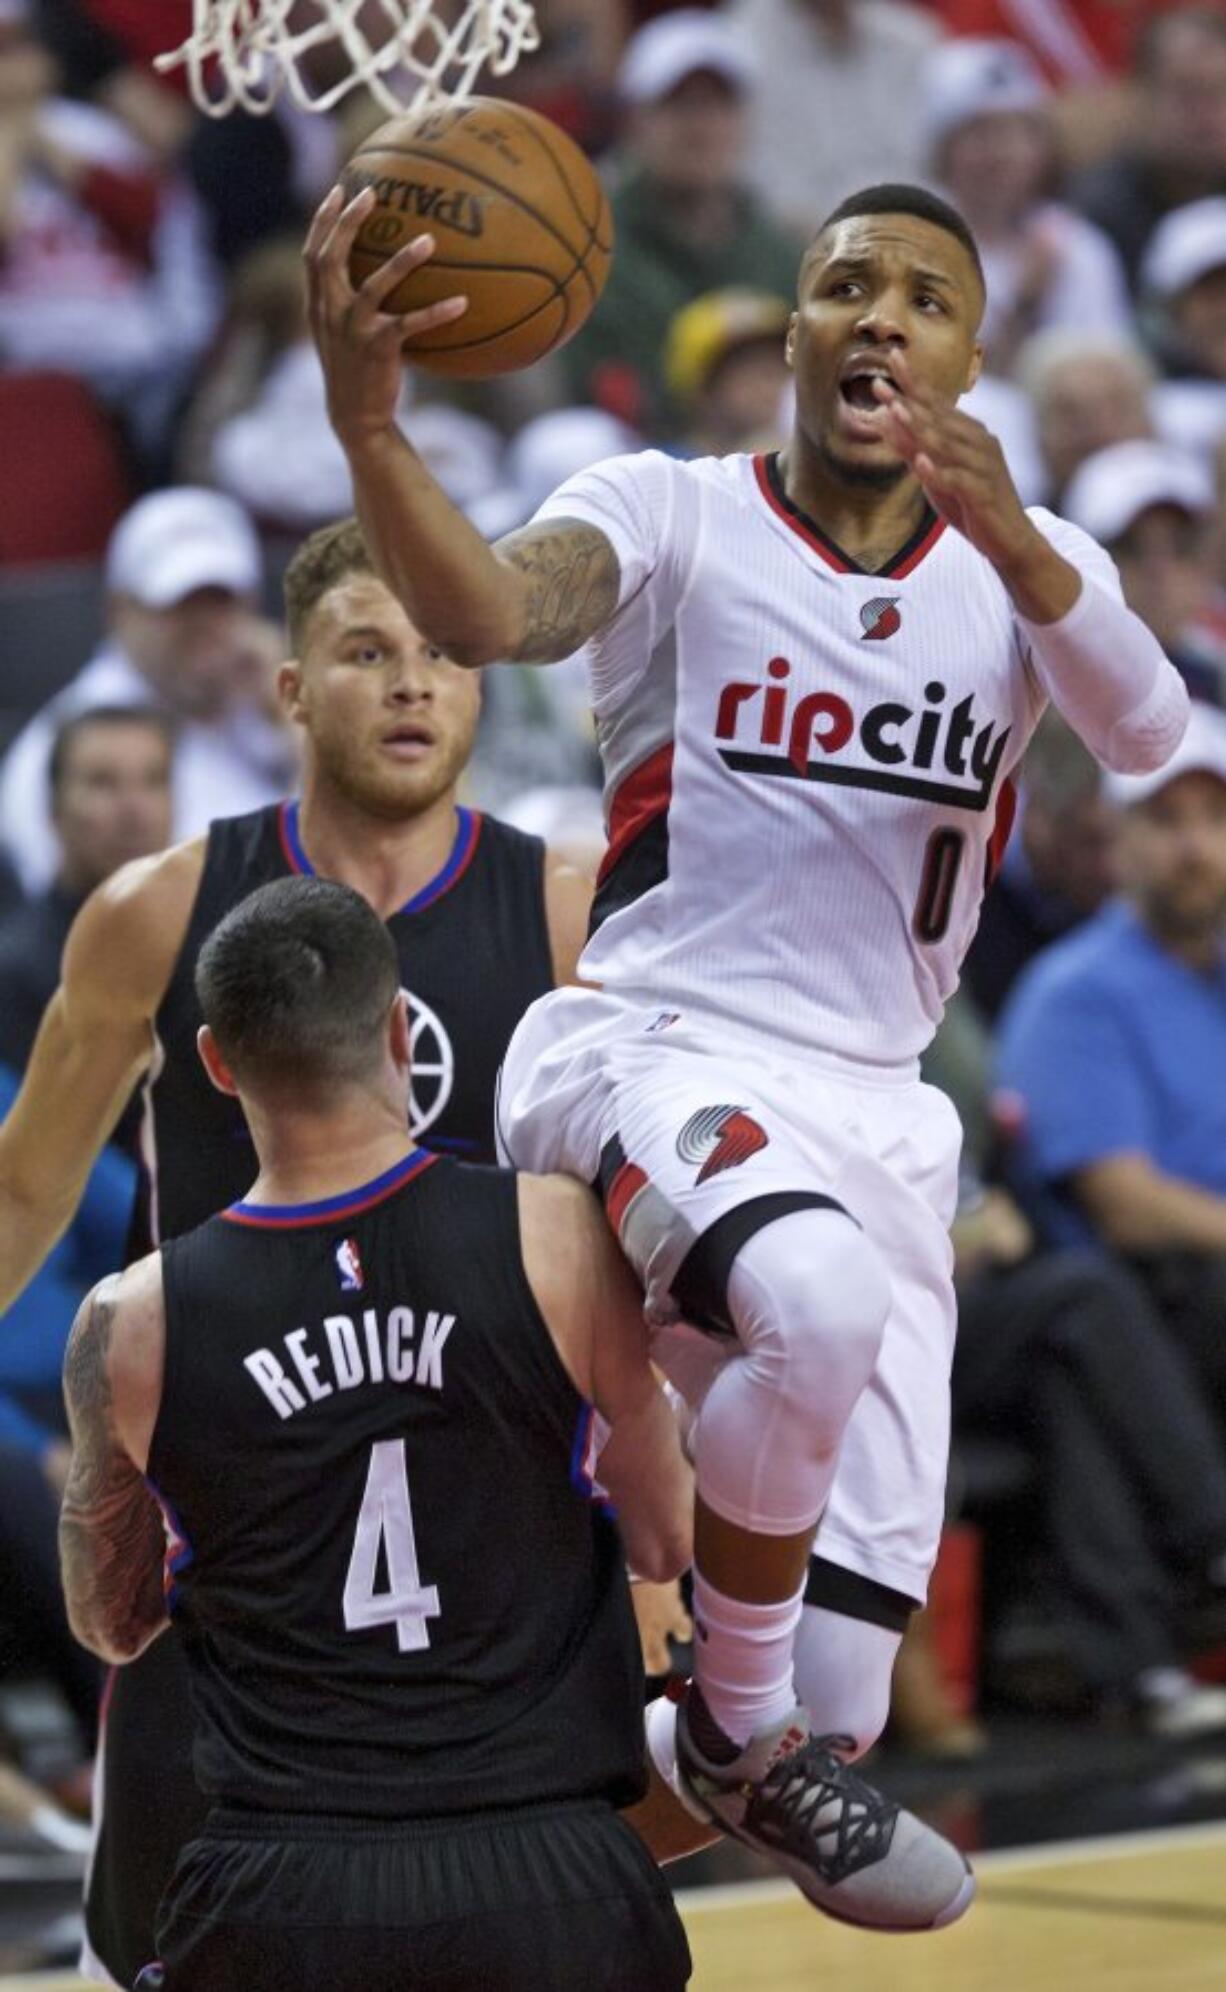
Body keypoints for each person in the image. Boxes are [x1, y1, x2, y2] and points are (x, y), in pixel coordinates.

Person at [306, 168, 1188, 1924]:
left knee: (841, 1697)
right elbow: (490, 607)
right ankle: (732, 1736)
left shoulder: (1028, 569)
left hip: (879, 1109)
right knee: (823, 1306)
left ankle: (432, 1915)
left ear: (967, 352)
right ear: (791, 334)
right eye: (845, 283)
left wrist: (1020, 540)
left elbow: (1152, 732)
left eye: (924, 297)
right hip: (655, 1044)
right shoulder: (674, 510)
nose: (880, 314)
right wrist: (370, 423)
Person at [0, 513, 594, 1987]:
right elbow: (23, 1190)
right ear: (287, 692)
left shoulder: (570, 913)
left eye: (444, 655)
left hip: (491, 1553)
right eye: (367, 652)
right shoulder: (159, 910)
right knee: (161, 1951)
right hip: (236, 1546)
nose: (410, 684)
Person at [58, 875, 694, 1992]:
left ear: (215, 1062)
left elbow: (111, 1621)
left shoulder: (133, 1322)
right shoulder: (557, 1233)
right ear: (400, 1030)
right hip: (547, 1877)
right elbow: (663, 1541)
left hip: (283, 1892)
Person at [996, 698, 1226, 1382]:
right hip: (1158, 1303)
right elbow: (1127, 1208)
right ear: (1118, 841)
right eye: (1166, 820)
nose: (1195, 849)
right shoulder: (1075, 990)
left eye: (1215, 821)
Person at [0, 486, 294, 897]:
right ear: (119, 611)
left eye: (221, 602)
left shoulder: (260, 700)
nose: (205, 628)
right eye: (179, 606)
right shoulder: (66, 752)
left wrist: (297, 718)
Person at [559, 8, 800, 436]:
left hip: (764, 455)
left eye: (719, 105)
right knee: (574, 441)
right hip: (633, 454)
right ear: (633, 120)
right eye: (680, 105)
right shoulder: (590, 239)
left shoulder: (780, 246)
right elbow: (584, 384)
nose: (701, 127)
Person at [921, 38, 1131, 375]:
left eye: (1018, 133)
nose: (1001, 153)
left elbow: (1109, 376)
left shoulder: (1077, 244)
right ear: (941, 152)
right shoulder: (906, 244)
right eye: (979, 134)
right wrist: (1026, 303)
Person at [0, 705, 173, 1082]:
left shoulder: (209, 947)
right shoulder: (14, 974)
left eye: (154, 781)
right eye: (102, 783)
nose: (135, 810)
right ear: (53, 808)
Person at [1061, 439, 1226, 706]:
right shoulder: (1042, 693)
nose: (1160, 570)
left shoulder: (1216, 673)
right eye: (1131, 548)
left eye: (1182, 546)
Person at [1072, 6, 1226, 290]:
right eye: (1188, 91)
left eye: (1219, 91)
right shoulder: (1099, 213)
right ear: (1143, 97)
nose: (1207, 113)